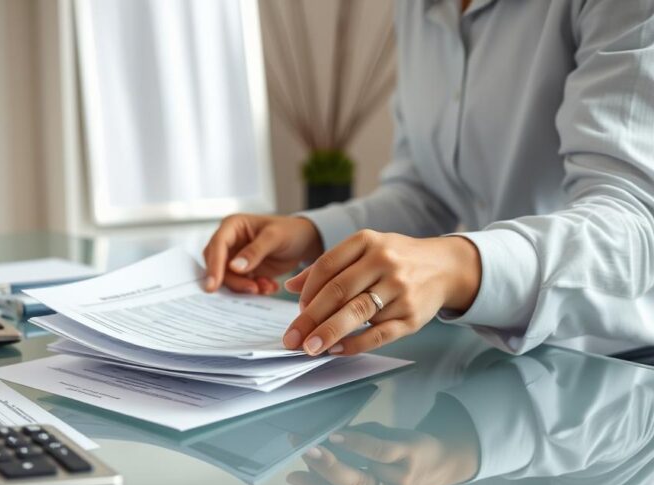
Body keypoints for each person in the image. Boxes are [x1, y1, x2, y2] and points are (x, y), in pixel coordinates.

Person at [203, 0, 654, 356]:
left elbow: (635, 226)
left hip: (616, 377)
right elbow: (424, 191)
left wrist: (459, 266)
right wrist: (311, 234)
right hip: (487, 368)